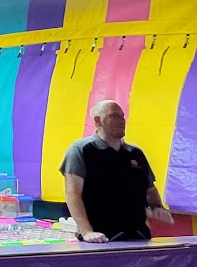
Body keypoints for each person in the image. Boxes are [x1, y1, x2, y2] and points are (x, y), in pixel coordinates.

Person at [60, 100, 175, 242]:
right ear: (98, 121)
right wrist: (87, 232)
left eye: (122, 116)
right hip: (100, 239)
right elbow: (72, 194)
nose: (121, 121)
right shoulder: (81, 150)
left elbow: (149, 189)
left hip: (138, 235)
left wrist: (158, 207)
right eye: (114, 116)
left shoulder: (135, 153)